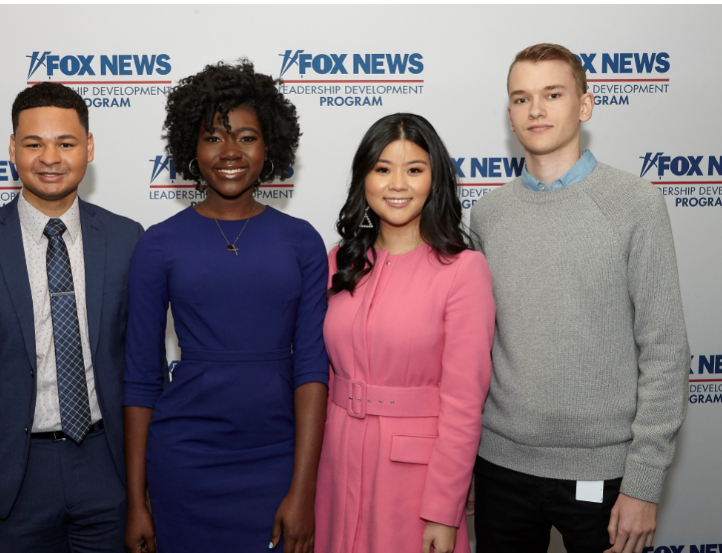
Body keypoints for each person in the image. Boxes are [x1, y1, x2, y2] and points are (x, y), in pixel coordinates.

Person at [469, 43, 690, 553]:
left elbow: (665, 350)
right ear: (510, 115)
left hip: (606, 474)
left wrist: (643, 484)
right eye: (521, 98)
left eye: (553, 94)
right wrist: (464, 465)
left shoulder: (636, 203)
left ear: (585, 105)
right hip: (500, 468)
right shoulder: (488, 214)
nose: (536, 109)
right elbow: (473, 349)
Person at [123, 60, 329, 553]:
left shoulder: (302, 241)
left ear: (269, 147)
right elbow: (140, 378)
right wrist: (135, 501)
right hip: (185, 461)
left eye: (246, 137)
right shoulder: (158, 244)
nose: (230, 151)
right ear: (191, 149)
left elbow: (311, 368)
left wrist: (304, 489)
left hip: (279, 457)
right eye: (213, 137)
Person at [0, 82, 144, 553]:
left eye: (65, 143)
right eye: (33, 144)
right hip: (15, 474)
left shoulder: (128, 239)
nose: (50, 158)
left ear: (88, 147)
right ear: (13, 149)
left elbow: (143, 369)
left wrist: (148, 479)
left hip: (109, 467)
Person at [314, 113, 495, 553]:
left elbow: (464, 403)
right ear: (364, 178)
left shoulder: (463, 270)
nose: (397, 184)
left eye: (414, 169)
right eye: (382, 169)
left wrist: (443, 509)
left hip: (414, 480)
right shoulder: (340, 260)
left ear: (435, 180)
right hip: (337, 464)